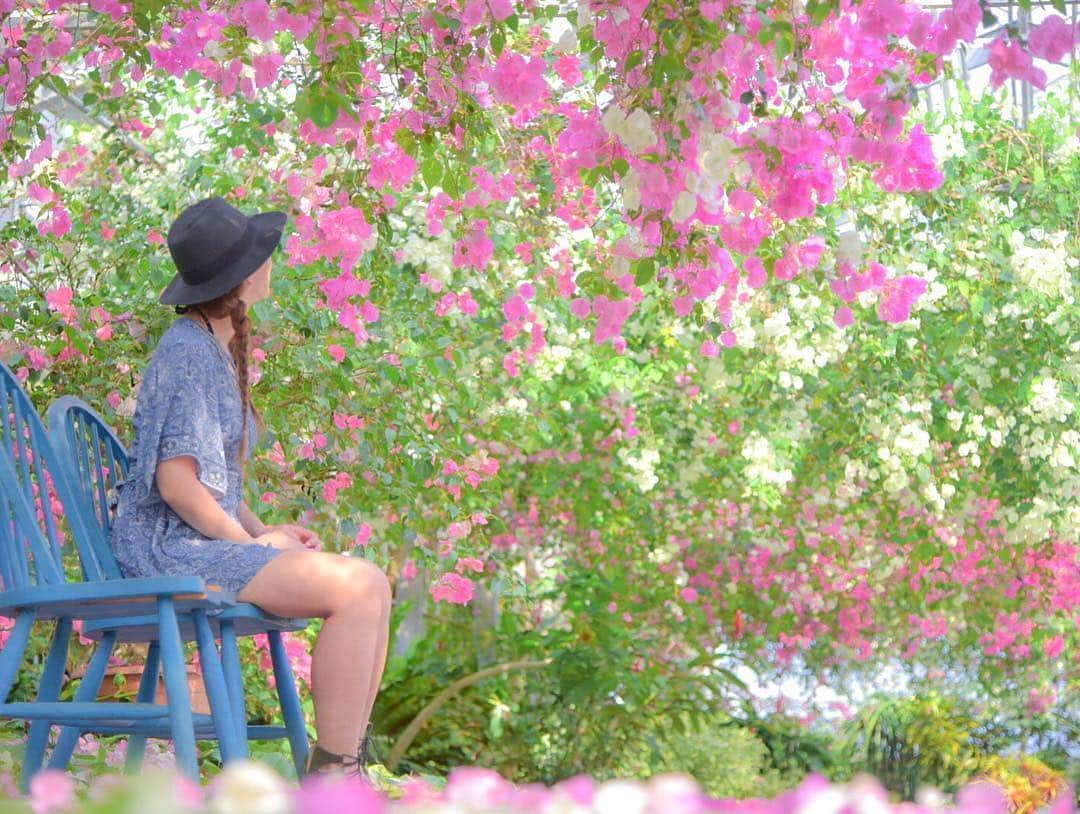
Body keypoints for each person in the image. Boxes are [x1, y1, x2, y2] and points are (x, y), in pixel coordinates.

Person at [108, 195, 391, 777]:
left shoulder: (209, 346)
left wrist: (266, 530)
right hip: (170, 550)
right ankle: (333, 775)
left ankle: (344, 763)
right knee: (357, 585)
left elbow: (217, 481)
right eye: (259, 256)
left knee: (374, 584)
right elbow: (177, 483)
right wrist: (246, 544)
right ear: (235, 280)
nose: (269, 262)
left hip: (198, 541)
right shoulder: (187, 350)